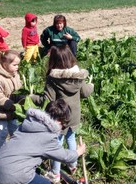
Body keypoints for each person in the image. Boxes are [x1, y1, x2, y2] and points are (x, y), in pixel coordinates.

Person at [32, 45, 94, 183]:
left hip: (60, 118)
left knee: (57, 144)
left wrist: (31, 97)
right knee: (71, 139)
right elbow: (85, 92)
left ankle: (55, 173)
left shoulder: (53, 78)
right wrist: (92, 85)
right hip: (74, 117)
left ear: (53, 60)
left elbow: (46, 100)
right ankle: (72, 165)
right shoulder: (78, 76)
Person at [0, 99, 87, 184]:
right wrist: (78, 152)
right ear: (58, 121)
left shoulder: (29, 123)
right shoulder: (48, 137)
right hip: (13, 175)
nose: (63, 127)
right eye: (63, 124)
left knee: (35, 173)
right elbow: (65, 157)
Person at [0, 50, 23, 151]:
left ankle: (14, 148)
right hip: (0, 113)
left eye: (18, 65)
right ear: (4, 64)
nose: (17, 67)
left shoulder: (15, 75)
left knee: (15, 130)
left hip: (13, 112)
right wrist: (9, 104)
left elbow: (19, 88)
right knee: (2, 132)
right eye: (15, 65)